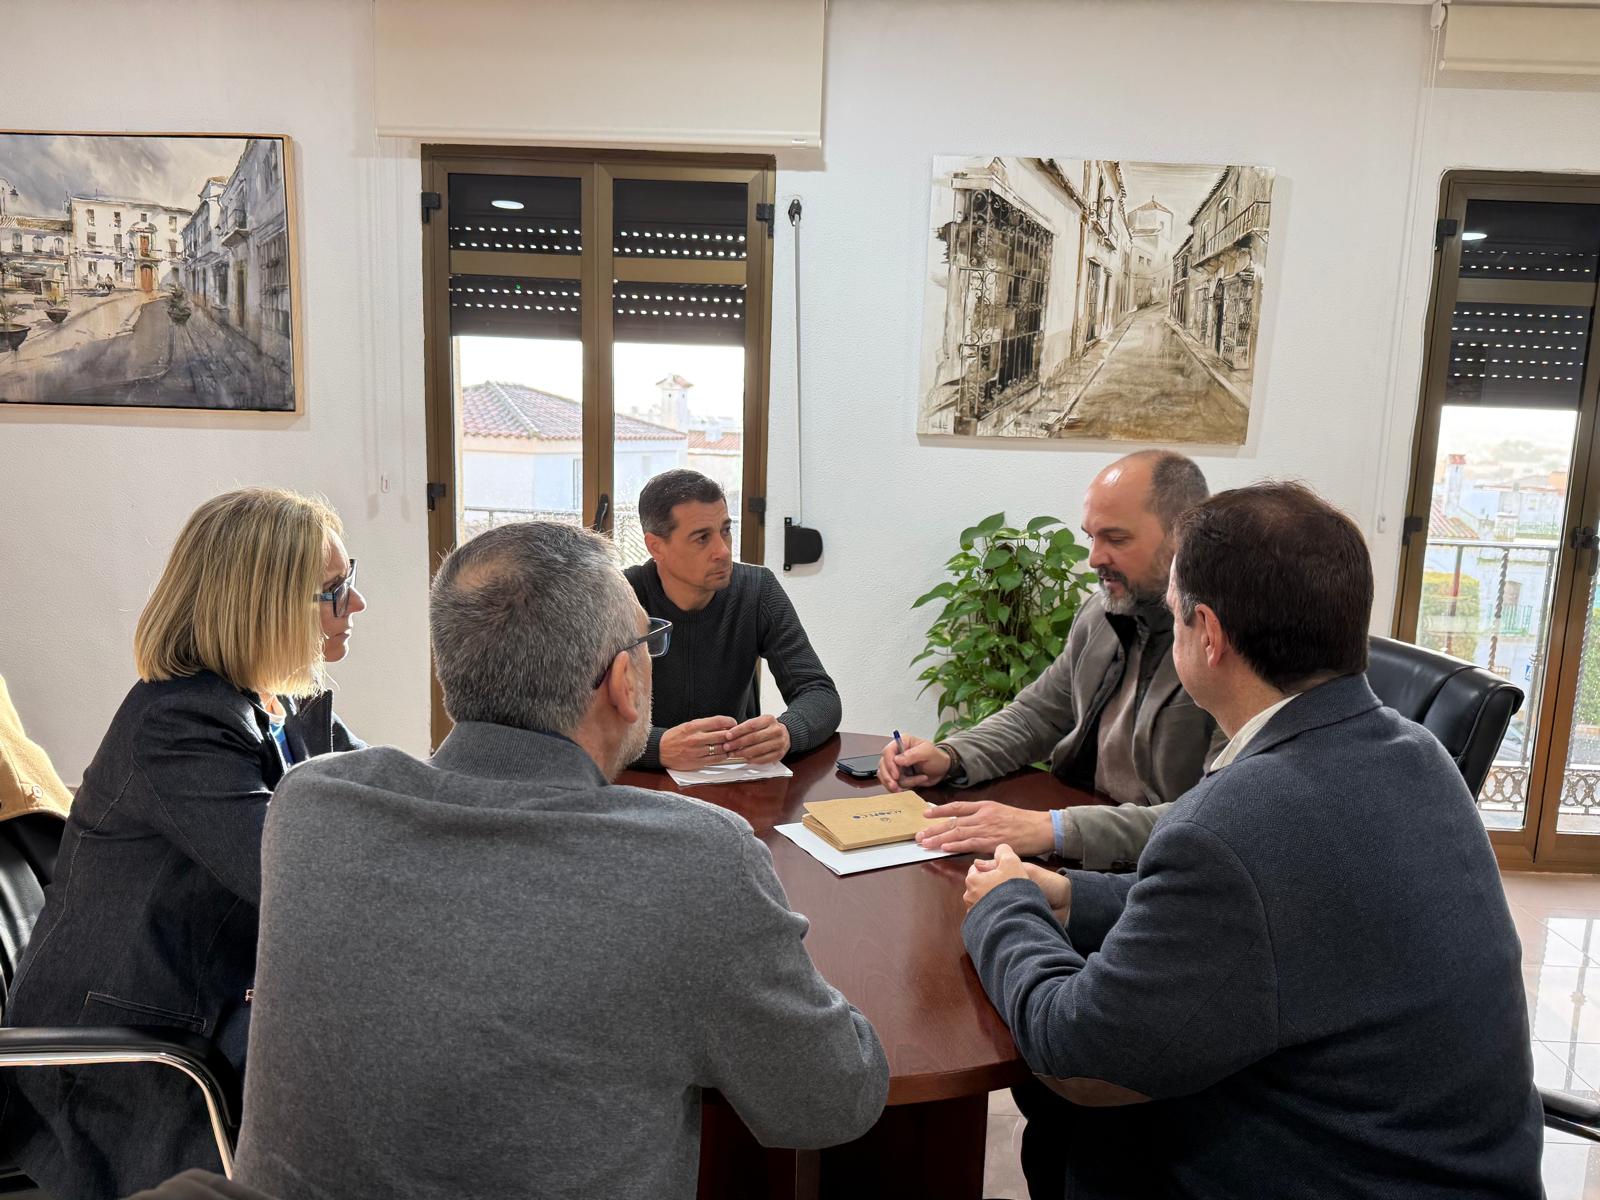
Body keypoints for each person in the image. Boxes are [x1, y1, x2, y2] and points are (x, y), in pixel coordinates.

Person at [233, 521, 888, 1200]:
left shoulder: (310, 805)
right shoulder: (694, 860)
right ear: (623, 682)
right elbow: (830, 1101)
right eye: (649, 643)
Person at [960, 482, 1542, 1200]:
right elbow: (1266, 908)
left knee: (1071, 1111)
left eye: (1174, 610)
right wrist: (1072, 895)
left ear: (1207, 633)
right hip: (1458, 1169)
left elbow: (1080, 1057)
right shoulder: (1419, 754)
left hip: (1342, 1176)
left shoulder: (1233, 821)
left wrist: (1006, 907)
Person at [0, 487, 365, 1199]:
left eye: (349, 578)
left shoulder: (269, 702)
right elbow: (292, 874)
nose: (355, 603)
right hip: (124, 1062)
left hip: (204, 1009)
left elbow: (383, 786)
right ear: (263, 607)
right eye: (334, 590)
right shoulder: (177, 727)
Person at [880, 450, 1217, 872]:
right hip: (1081, 845)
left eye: (1116, 539)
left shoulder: (1225, 645)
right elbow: (1037, 716)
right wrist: (951, 756)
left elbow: (1215, 814)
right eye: (1091, 537)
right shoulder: (1101, 613)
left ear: (1182, 538)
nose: (1094, 558)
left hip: (1155, 870)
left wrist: (1053, 828)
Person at [625, 469, 841, 770]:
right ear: (656, 546)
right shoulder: (618, 599)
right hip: (642, 780)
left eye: (725, 530)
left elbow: (819, 693)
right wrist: (656, 747)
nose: (723, 551)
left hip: (734, 776)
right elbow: (578, 720)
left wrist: (787, 731)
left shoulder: (757, 589)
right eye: (702, 538)